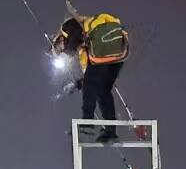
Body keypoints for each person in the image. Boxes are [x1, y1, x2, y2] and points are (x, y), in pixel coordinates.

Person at [51, 13, 129, 141]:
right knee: (103, 91)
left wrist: (80, 84)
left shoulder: (68, 27)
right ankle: (110, 131)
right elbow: (90, 78)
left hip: (103, 53)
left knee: (92, 88)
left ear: (59, 39)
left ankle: (87, 123)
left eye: (61, 49)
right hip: (118, 54)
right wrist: (77, 84)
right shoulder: (86, 49)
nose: (64, 51)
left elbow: (73, 42)